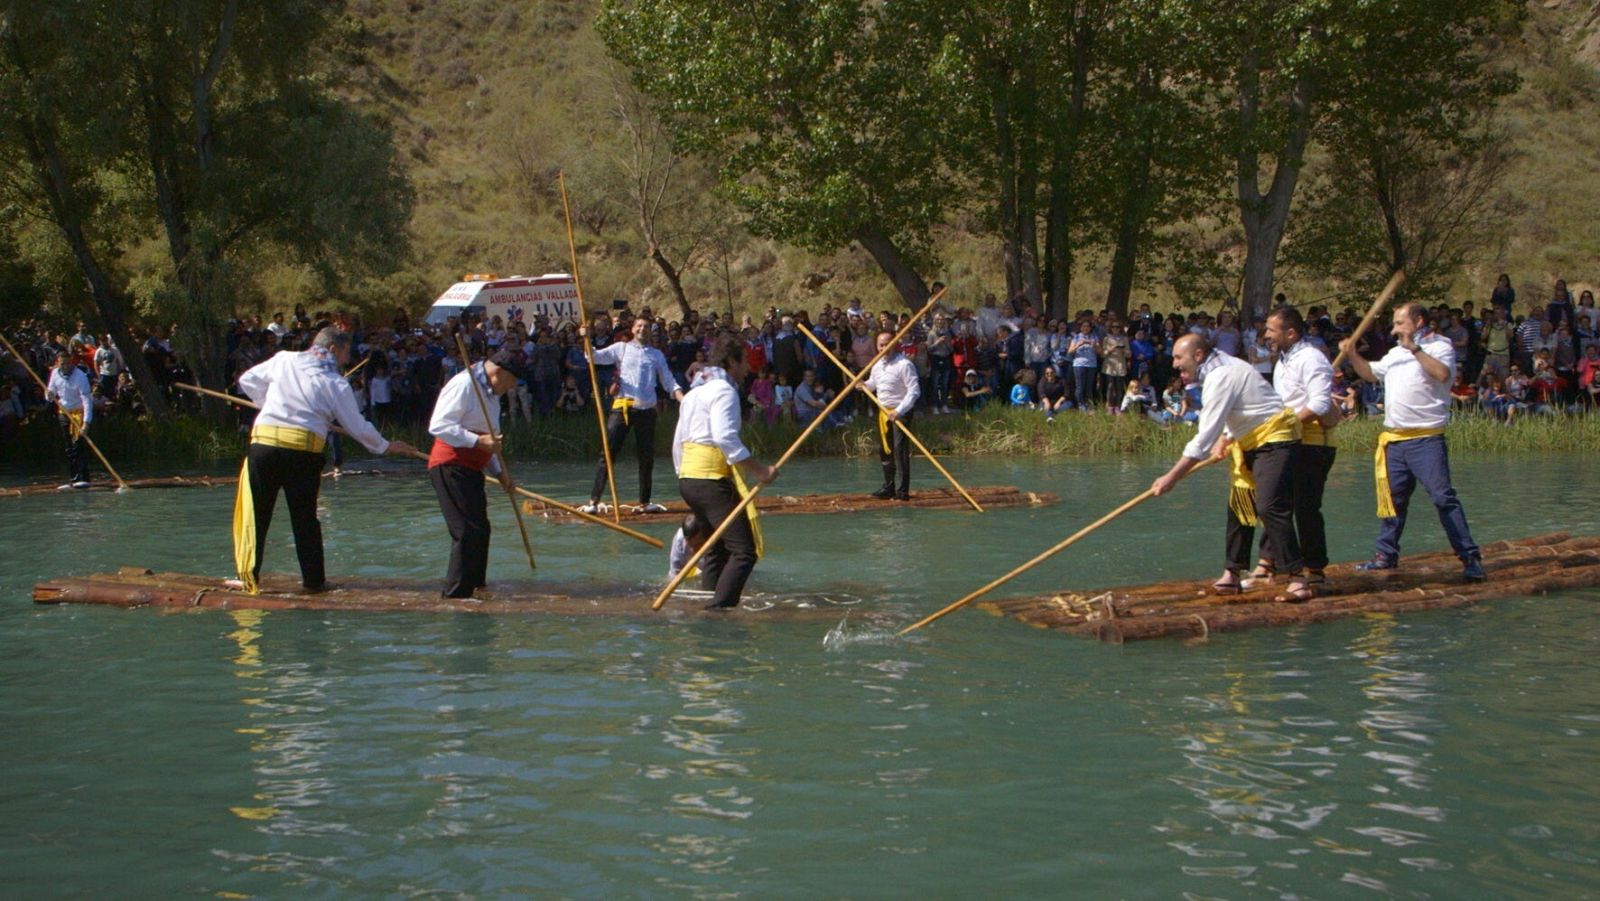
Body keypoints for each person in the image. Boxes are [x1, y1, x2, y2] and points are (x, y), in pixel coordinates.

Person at [232, 327, 418, 593]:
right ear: (332, 349)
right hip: (301, 451)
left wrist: (268, 403)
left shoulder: (284, 359)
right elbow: (357, 426)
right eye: (344, 353)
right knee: (305, 519)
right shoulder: (336, 383)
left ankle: (247, 578)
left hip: (263, 445)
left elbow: (248, 380)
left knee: (257, 514)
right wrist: (386, 446)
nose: (346, 360)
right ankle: (314, 582)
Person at [1149, 335, 1312, 602]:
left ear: (1199, 355)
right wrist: (1227, 436)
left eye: (1179, 358)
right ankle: (1232, 574)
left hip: (1276, 438)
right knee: (1240, 506)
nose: (1175, 364)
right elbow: (1235, 410)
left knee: (1269, 506)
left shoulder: (1220, 375)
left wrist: (1172, 476)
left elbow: (1203, 438)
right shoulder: (1218, 368)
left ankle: (1297, 577)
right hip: (1249, 439)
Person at [1340, 303, 1484, 581]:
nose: (1394, 330)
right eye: (1393, 324)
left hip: (1426, 438)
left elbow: (1443, 375)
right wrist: (1353, 355)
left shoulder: (1440, 346)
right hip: (1395, 439)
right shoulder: (1394, 353)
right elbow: (1370, 374)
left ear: (1418, 322)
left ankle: (1469, 557)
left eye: (1399, 324)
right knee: (1392, 501)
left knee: (1443, 498)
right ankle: (1386, 555)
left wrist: (1414, 349)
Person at [671, 336, 778, 608]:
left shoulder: (694, 392)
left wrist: (684, 476)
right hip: (709, 481)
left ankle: (710, 597)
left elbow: (678, 441)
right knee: (744, 552)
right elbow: (725, 437)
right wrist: (760, 470)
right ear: (731, 362)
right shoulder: (723, 391)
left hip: (689, 479)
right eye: (744, 362)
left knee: (716, 547)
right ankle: (718, 610)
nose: (747, 370)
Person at [427, 348, 523, 599]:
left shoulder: (492, 395)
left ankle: (477, 587)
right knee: (466, 531)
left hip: (472, 468)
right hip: (450, 464)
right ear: (498, 373)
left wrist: (501, 474)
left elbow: (491, 443)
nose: (509, 389)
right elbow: (438, 425)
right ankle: (456, 594)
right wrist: (478, 442)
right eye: (510, 383)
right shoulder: (464, 385)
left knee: (481, 529)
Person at [1254, 306, 1338, 586]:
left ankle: (1314, 568)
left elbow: (1320, 404)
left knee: (1305, 506)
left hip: (1314, 443)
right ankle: (1269, 562)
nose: (1266, 335)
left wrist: (1284, 422)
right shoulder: (1283, 361)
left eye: (1271, 330)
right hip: (1289, 439)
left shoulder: (1312, 358)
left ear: (1290, 333)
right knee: (1275, 501)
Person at [578, 317, 684, 514]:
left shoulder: (656, 355)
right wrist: (587, 338)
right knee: (608, 454)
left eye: (646, 327)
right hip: (623, 407)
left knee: (646, 458)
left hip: (646, 411)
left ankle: (645, 502)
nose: (642, 329)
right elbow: (593, 357)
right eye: (639, 326)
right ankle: (593, 501)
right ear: (633, 329)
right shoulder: (621, 348)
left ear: (650, 332)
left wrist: (682, 399)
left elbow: (669, 381)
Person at [860, 329, 921, 500]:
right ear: (877, 346)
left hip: (901, 411)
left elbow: (914, 391)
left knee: (899, 450)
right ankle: (888, 487)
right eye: (881, 345)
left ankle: (903, 491)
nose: (884, 348)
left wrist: (899, 411)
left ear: (895, 345)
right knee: (884, 450)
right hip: (883, 412)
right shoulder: (877, 364)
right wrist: (864, 385)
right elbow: (874, 384)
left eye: (888, 344)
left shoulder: (904, 364)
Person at [45, 349, 94, 489]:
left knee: (78, 445)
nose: (65, 366)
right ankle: (72, 478)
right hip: (64, 412)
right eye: (62, 364)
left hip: (78, 412)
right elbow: (51, 393)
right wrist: (48, 394)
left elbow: (87, 400)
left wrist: (86, 423)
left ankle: (83, 477)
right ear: (58, 363)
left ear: (71, 361)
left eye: (67, 363)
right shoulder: (55, 373)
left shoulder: (80, 376)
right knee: (68, 447)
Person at [667, 513, 711, 580]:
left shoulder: (714, 538)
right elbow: (676, 573)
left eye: (697, 545)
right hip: (692, 570)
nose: (693, 550)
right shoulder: (680, 539)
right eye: (690, 546)